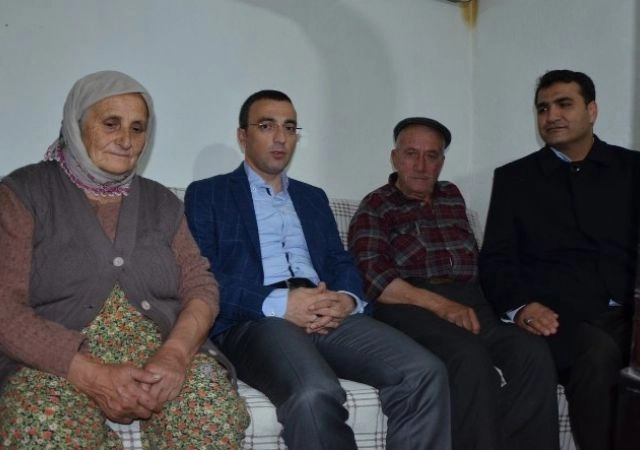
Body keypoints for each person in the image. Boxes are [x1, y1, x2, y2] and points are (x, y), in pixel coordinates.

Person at [184, 89, 451, 450]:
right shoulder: (208, 194)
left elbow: (339, 260)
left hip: (327, 311)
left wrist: (346, 299)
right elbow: (203, 276)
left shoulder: (312, 197)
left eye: (289, 127)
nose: (281, 137)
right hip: (257, 320)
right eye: (267, 126)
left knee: (424, 372)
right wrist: (282, 304)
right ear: (243, 136)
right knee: (314, 392)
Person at [0, 71, 249, 448]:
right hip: (57, 362)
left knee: (211, 416)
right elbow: (4, 308)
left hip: (159, 354)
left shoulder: (161, 202)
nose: (126, 140)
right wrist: (90, 374)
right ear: (76, 125)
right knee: (42, 429)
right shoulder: (23, 194)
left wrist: (175, 354)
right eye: (111, 124)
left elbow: (200, 286)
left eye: (137, 128)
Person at [347, 117, 559, 450]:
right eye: (411, 154)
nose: (421, 165)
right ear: (395, 158)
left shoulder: (451, 196)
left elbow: (485, 265)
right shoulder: (376, 205)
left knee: (532, 351)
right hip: (410, 305)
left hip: (472, 301)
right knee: (468, 357)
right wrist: (442, 306)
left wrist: (518, 307)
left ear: (441, 162)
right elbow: (374, 279)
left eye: (431, 156)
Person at [479, 69, 640, 450]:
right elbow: (496, 259)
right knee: (598, 355)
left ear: (592, 110)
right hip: (562, 319)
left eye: (564, 104)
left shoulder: (632, 168)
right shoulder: (515, 178)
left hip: (631, 311)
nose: (551, 116)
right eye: (543, 108)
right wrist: (521, 307)